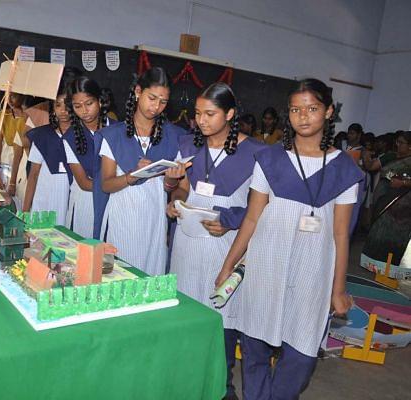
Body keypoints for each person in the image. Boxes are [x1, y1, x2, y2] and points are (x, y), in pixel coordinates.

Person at [216, 78, 364, 399]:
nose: (303, 116)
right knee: (254, 345)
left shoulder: (344, 168)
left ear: (328, 112)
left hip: (313, 271)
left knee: (301, 352)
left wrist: (338, 289)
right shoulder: (270, 158)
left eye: (312, 108)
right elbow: (252, 217)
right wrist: (228, 265)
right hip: (266, 263)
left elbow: (341, 233)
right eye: (296, 110)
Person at [166, 83, 265, 400]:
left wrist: (231, 219)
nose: (201, 120)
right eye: (198, 113)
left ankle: (222, 385)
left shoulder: (256, 153)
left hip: (226, 242)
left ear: (230, 114)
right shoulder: (188, 143)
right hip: (188, 240)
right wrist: (175, 199)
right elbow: (182, 188)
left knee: (222, 314)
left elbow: (262, 207)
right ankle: (184, 377)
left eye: (210, 114)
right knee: (187, 308)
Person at [99, 67, 187, 275]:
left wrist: (171, 182)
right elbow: (106, 184)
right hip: (123, 215)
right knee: (119, 275)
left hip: (154, 218)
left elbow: (173, 187)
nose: (156, 107)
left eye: (163, 102)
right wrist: (131, 175)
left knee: (150, 275)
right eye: (152, 98)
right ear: (138, 92)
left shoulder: (173, 137)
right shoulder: (114, 135)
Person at [63, 76, 115, 238]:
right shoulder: (70, 138)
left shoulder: (117, 129)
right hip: (86, 201)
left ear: (100, 101)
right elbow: (84, 183)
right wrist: (118, 185)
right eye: (77, 106)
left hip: (115, 200)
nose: (84, 111)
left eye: (89, 103)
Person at [22, 80, 74, 225]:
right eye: (58, 105)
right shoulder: (42, 136)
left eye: (67, 105)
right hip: (44, 198)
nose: (63, 110)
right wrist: (25, 210)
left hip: (69, 201)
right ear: (52, 109)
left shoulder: (81, 138)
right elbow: (33, 175)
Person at [361, 131, 411, 279]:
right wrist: (365, 155)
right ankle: (372, 267)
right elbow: (371, 166)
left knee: (394, 237)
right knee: (378, 232)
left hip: (402, 207)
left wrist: (403, 183)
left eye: (401, 143)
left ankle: (388, 272)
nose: (397, 145)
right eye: (397, 142)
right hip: (383, 201)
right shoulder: (390, 156)